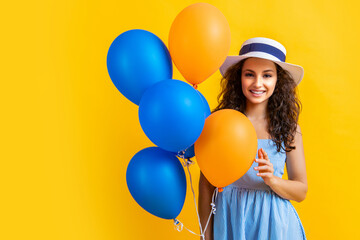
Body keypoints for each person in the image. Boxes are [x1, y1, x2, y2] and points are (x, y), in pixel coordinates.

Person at [198, 37, 308, 240]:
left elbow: (301, 190)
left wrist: (272, 180)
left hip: (274, 227)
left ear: (278, 80)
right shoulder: (221, 123)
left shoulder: (289, 130)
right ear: (239, 77)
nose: (258, 83)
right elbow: (206, 185)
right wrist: (205, 236)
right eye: (250, 74)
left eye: (267, 75)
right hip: (229, 220)